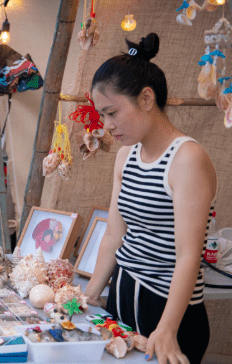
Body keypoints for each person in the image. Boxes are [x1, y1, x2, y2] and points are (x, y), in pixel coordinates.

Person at [84, 33, 216, 364]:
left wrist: (168, 328)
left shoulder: (186, 158)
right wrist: (84, 298)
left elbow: (189, 255)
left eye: (112, 112)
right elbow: (114, 235)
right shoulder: (127, 153)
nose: (107, 125)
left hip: (168, 315)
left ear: (146, 98)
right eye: (102, 115)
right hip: (121, 300)